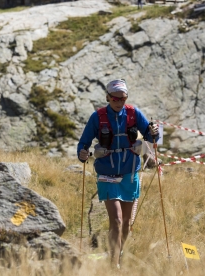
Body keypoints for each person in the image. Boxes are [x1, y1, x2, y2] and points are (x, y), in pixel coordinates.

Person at [77, 79, 159, 268]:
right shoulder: (97, 117)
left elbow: (150, 136)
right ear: (108, 97)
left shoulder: (133, 113)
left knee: (126, 224)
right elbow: (84, 143)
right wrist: (82, 154)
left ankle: (117, 254)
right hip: (107, 174)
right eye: (115, 98)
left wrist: (154, 133)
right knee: (117, 219)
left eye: (122, 98)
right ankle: (114, 266)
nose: (119, 102)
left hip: (130, 173)